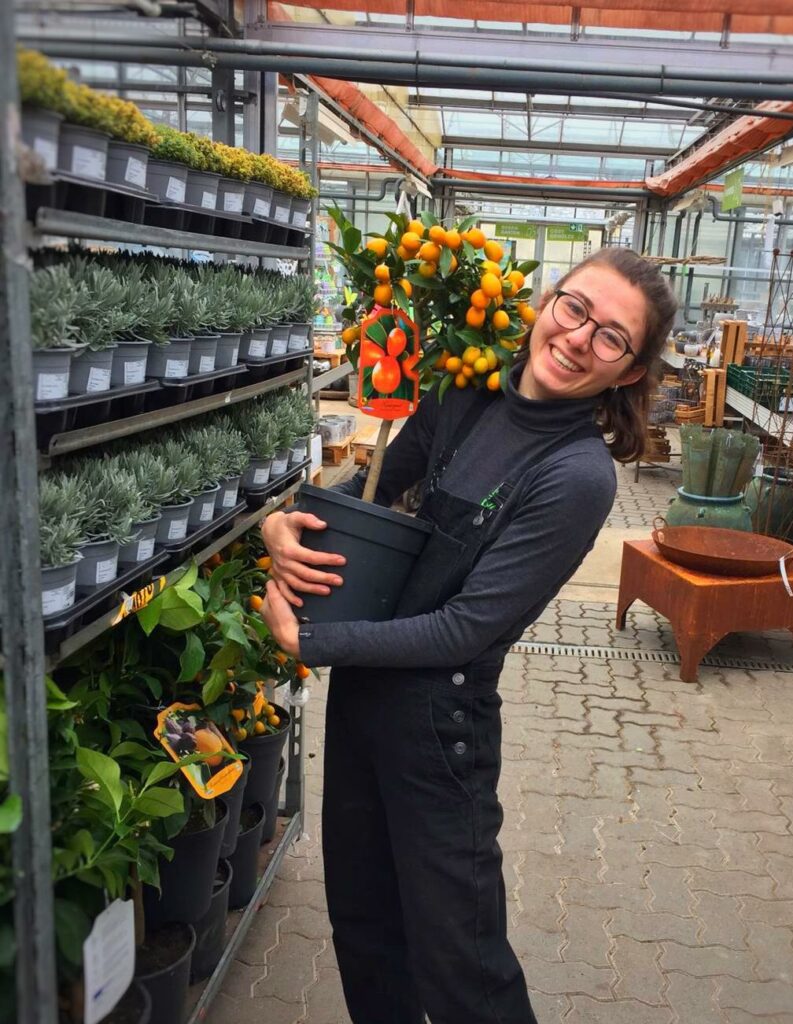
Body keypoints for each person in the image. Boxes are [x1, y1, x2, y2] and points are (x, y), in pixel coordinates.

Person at [260, 248, 677, 1023]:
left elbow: (465, 630)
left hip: (437, 729)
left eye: (611, 337)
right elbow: (373, 493)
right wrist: (290, 524)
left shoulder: (575, 476)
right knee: (363, 926)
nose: (578, 337)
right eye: (574, 307)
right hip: (362, 701)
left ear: (627, 371)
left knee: (462, 969)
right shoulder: (464, 393)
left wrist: (310, 644)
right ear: (545, 302)